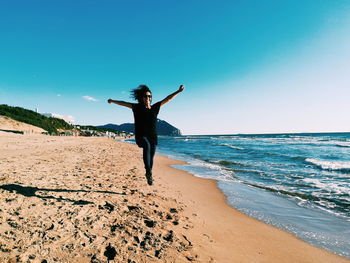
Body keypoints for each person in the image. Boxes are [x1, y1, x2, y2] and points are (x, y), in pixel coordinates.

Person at [108, 84, 185, 185]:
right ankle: (148, 171)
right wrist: (113, 101)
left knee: (151, 157)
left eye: (150, 96)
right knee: (147, 146)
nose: (148, 98)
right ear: (141, 97)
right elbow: (124, 103)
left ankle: (149, 174)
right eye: (146, 96)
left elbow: (168, 99)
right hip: (141, 136)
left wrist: (178, 91)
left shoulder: (155, 108)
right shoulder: (137, 107)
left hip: (153, 136)